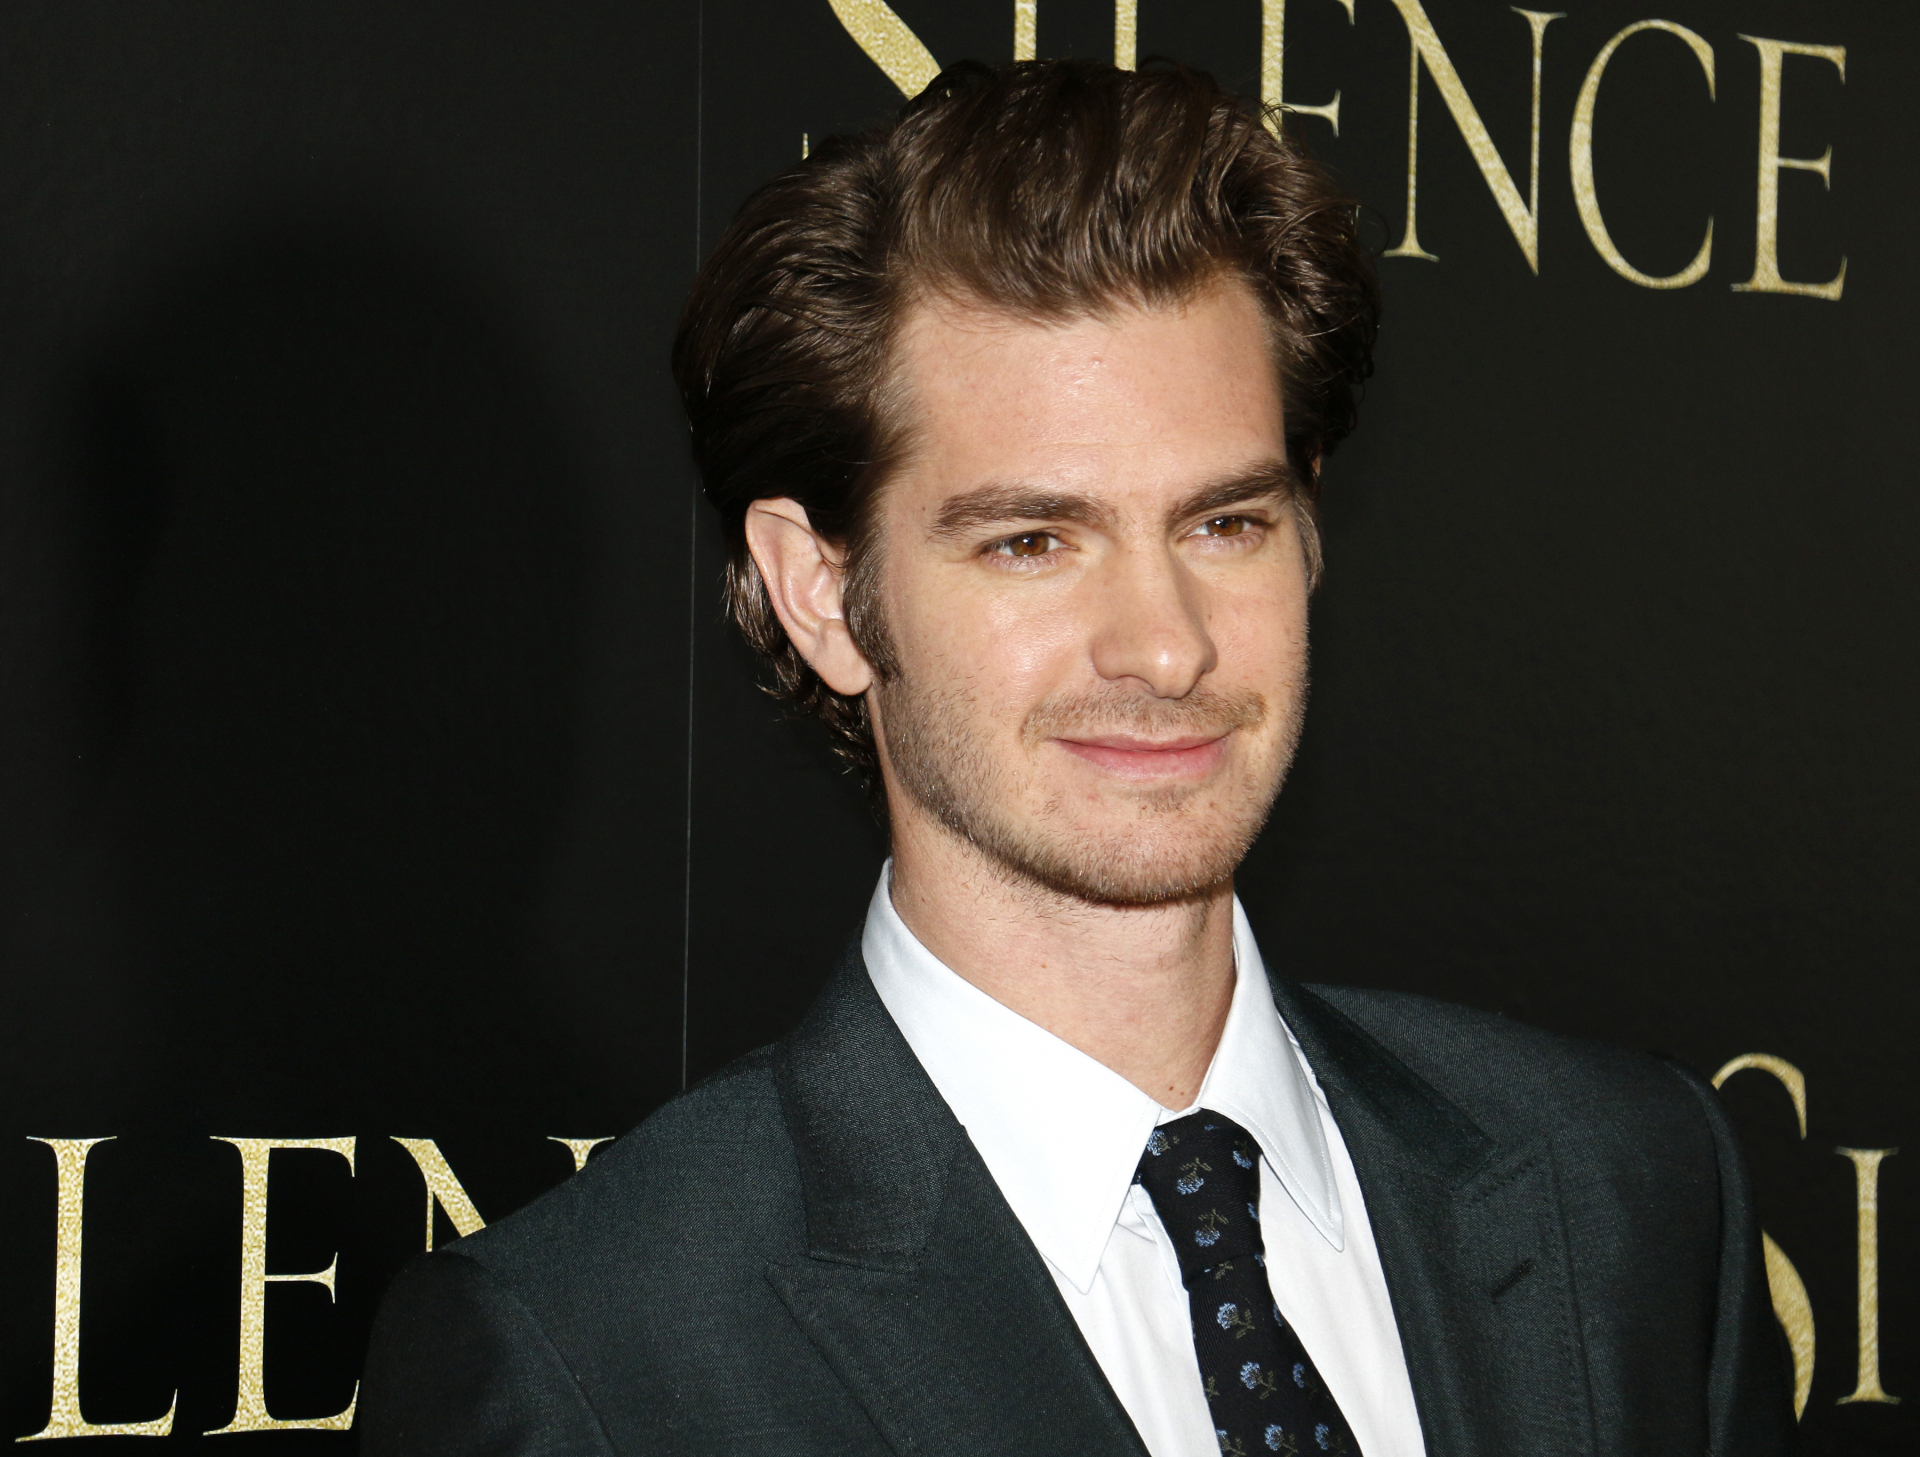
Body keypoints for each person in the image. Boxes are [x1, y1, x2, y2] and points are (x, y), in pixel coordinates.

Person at [359, 58, 1794, 1457]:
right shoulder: (595, 1361)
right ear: (823, 593)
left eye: (1223, 523)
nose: (1165, 648)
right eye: (1033, 541)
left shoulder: (1631, 1189)